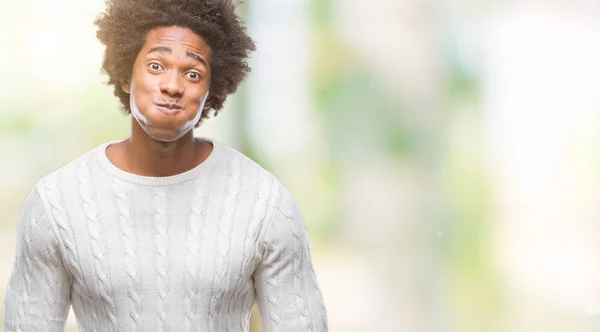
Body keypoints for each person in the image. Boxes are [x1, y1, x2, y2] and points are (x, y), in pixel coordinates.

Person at [2, 0, 328, 331]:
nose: (172, 86)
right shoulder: (57, 201)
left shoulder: (265, 202)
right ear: (126, 75)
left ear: (210, 92)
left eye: (192, 73)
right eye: (156, 66)